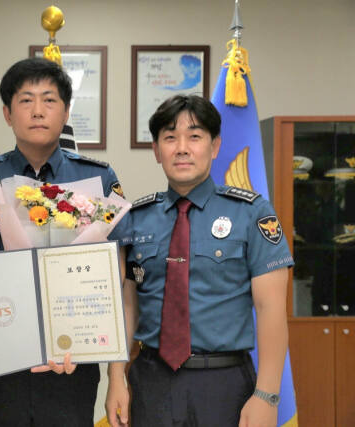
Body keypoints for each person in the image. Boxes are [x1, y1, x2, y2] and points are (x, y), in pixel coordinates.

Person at [0, 57, 126, 426]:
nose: (38, 110)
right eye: (26, 100)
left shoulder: (98, 178)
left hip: (71, 358)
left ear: (66, 111)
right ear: (7, 113)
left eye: (49, 99)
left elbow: (116, 260)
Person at [106, 94, 293, 427]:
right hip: (151, 382)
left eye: (194, 136)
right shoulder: (136, 219)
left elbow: (271, 309)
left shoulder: (252, 213)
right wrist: (116, 375)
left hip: (224, 383)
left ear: (215, 145)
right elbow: (127, 306)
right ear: (156, 150)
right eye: (169, 137)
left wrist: (267, 394)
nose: (181, 148)